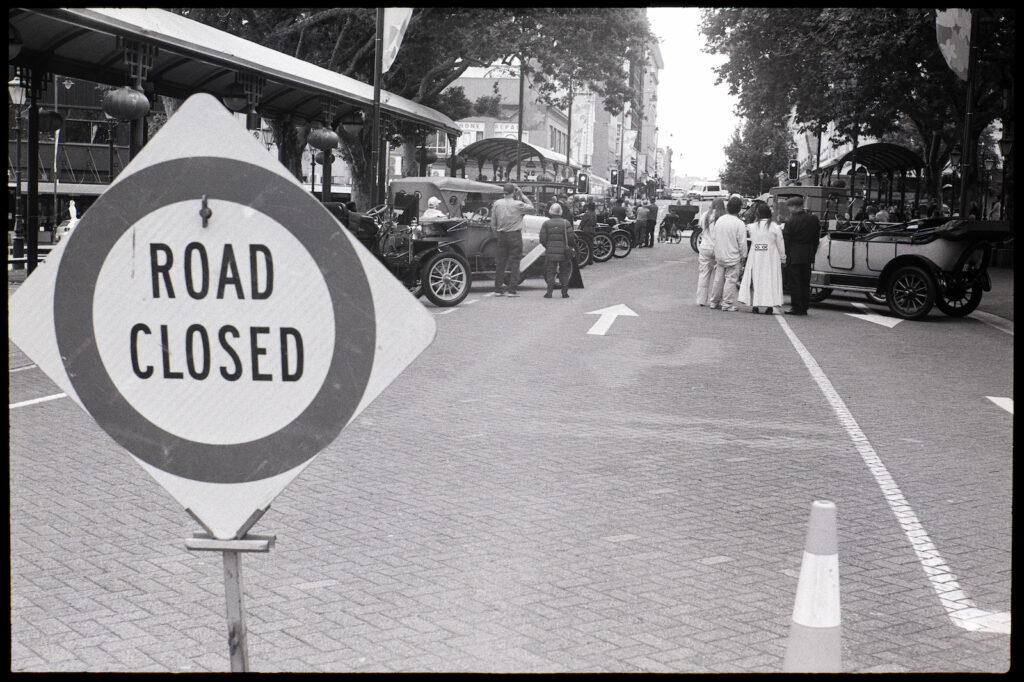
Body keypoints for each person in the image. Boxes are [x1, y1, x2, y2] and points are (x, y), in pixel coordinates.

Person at [737, 203, 786, 314]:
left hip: (756, 255)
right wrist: (783, 258)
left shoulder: (752, 227)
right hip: (771, 256)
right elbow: (780, 243)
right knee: (770, 280)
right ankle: (770, 306)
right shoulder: (775, 227)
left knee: (756, 279)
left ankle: (755, 305)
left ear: (758, 214)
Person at [491, 183, 535, 297]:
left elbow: (493, 223)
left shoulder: (497, 204)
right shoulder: (518, 204)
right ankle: (512, 290)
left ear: (503, 192)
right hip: (514, 236)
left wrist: (497, 235)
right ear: (513, 192)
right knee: (515, 263)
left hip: (501, 235)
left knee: (500, 263)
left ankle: (498, 289)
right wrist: (522, 194)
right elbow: (532, 207)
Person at [782, 195, 821, 315]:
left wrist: (786, 254)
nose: (789, 209)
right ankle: (804, 306)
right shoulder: (813, 219)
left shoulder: (790, 221)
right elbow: (816, 238)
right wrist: (813, 252)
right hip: (808, 253)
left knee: (795, 282)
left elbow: (786, 240)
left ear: (794, 207)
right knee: (805, 282)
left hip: (794, 254)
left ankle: (796, 307)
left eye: (789, 207)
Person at [708, 196, 748, 311]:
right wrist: (743, 255)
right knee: (730, 280)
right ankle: (727, 303)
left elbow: (714, 237)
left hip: (720, 254)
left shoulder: (720, 220)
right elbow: (742, 243)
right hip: (733, 256)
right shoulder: (739, 223)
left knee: (718, 279)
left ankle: (714, 301)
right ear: (739, 209)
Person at [538, 203, 574, 298]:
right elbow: (571, 238)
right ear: (560, 211)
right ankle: (564, 293)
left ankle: (549, 292)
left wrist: (548, 246)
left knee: (550, 272)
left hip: (550, 252)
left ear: (551, 212)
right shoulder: (566, 223)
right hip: (564, 252)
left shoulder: (546, 224)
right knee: (564, 272)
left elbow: (542, 239)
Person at [695, 198, 726, 306]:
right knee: (719, 276)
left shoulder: (704, 215)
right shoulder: (723, 218)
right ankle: (715, 301)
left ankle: (701, 300)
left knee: (704, 274)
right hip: (718, 248)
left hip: (705, 247)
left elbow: (700, 227)